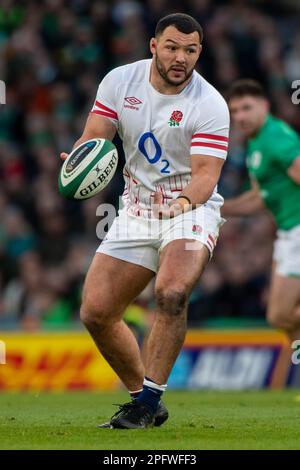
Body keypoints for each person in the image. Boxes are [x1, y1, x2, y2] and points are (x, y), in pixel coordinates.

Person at [60, 13, 229, 429]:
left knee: (171, 293)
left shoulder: (209, 103)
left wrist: (184, 202)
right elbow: (96, 133)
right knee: (96, 312)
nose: (180, 58)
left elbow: (206, 175)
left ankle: (149, 400)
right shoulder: (120, 82)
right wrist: (81, 157)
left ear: (199, 53)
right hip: (136, 209)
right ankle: (145, 399)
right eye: (172, 47)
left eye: (190, 51)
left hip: (190, 210)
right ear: (153, 46)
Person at [223, 79, 300, 343]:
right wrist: (218, 206)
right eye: (235, 111)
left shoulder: (275, 138)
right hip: (288, 233)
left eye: (246, 108)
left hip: (298, 230)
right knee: (281, 318)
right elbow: (258, 198)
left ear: (264, 106)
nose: (240, 116)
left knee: (280, 315)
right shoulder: (255, 143)